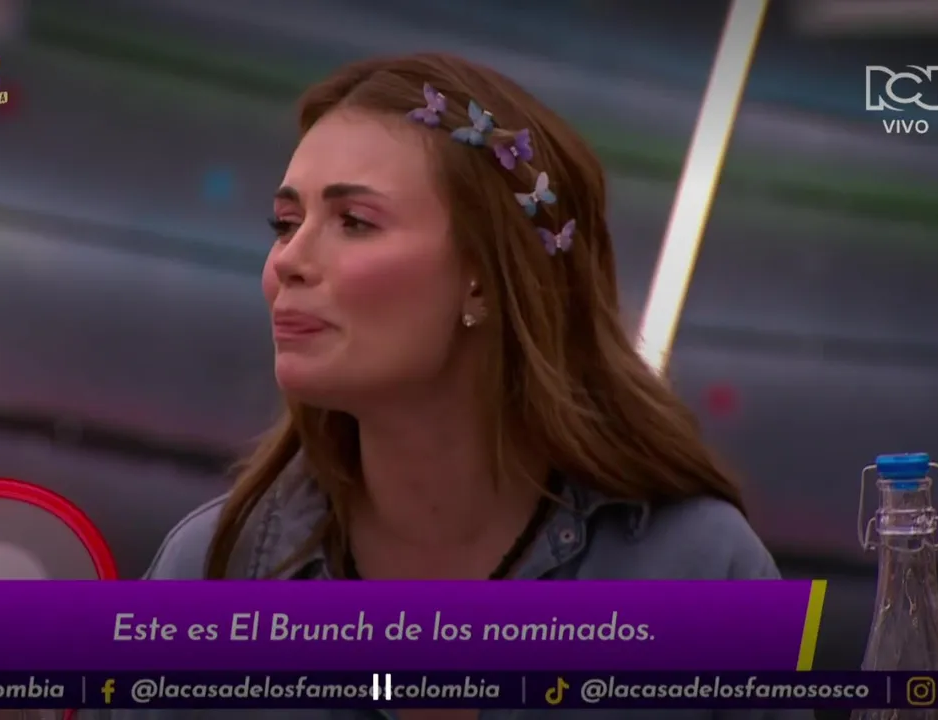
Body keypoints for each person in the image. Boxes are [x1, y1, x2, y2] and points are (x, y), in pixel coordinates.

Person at [116, 53, 811, 720]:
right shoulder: (213, 572)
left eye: (353, 222)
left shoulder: (703, 573)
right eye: (286, 224)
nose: (286, 263)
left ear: (482, 277)